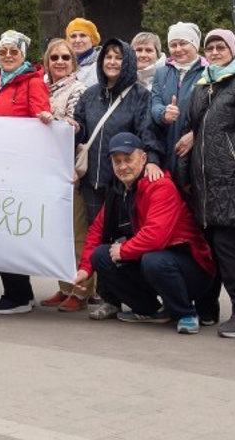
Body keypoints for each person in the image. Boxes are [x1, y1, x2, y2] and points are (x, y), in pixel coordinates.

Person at [73, 132, 217, 332]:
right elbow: (97, 231)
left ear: (143, 158)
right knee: (101, 255)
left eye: (128, 159)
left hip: (191, 269)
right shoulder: (118, 190)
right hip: (154, 262)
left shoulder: (160, 186)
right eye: (117, 161)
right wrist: (85, 269)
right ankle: (151, 311)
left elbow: (155, 236)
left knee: (154, 259)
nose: (123, 166)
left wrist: (123, 250)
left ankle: (185, 313)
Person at [177, 28, 235, 338]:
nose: (215, 52)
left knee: (227, 245)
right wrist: (187, 175)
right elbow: (191, 132)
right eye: (210, 48)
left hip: (232, 180)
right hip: (205, 183)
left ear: (232, 51)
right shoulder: (202, 86)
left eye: (221, 47)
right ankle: (228, 307)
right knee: (216, 247)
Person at [71, 36, 155, 319]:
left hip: (121, 182)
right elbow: (81, 133)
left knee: (121, 240)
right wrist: (73, 128)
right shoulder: (90, 94)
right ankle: (109, 299)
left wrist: (150, 163)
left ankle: (134, 297)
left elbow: (146, 135)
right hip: (91, 182)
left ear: (128, 61)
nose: (112, 62)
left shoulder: (140, 96)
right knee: (99, 240)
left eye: (119, 57)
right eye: (108, 56)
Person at [0, 30, 54, 315]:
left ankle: (19, 295)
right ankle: (21, 292)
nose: (8, 55)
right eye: (4, 50)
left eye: (14, 51)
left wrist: (45, 117)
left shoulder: (32, 82)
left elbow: (40, 115)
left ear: (24, 55)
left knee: (9, 232)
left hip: (17, 172)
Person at [39, 37, 89, 311]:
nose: (59, 62)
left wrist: (54, 120)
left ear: (73, 62)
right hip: (46, 171)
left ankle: (81, 292)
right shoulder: (42, 87)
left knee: (77, 231)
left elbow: (76, 125)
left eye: (65, 58)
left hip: (69, 170)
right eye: (54, 58)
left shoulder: (78, 89)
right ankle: (64, 286)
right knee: (58, 232)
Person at [150, 22, 207, 175]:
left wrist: (196, 134)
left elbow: (214, 111)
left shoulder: (208, 72)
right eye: (173, 45)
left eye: (183, 43)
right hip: (167, 149)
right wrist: (163, 112)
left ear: (195, 44)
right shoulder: (162, 73)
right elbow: (154, 102)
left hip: (197, 154)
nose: (178, 49)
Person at [66, 18, 101, 87]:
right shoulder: (60, 63)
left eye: (83, 35)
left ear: (92, 39)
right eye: (73, 36)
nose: (78, 40)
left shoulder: (101, 64)